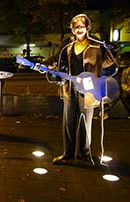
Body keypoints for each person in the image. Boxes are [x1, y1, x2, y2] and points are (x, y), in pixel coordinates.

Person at [50, 14, 117, 164]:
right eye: (76, 26)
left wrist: (98, 70)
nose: (79, 28)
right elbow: (57, 60)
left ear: (87, 27)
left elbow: (110, 62)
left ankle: (85, 154)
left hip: (88, 89)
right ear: (72, 29)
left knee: (85, 123)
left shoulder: (96, 44)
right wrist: (50, 64)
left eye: (82, 25)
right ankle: (68, 153)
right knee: (68, 122)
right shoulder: (68, 45)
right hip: (69, 86)